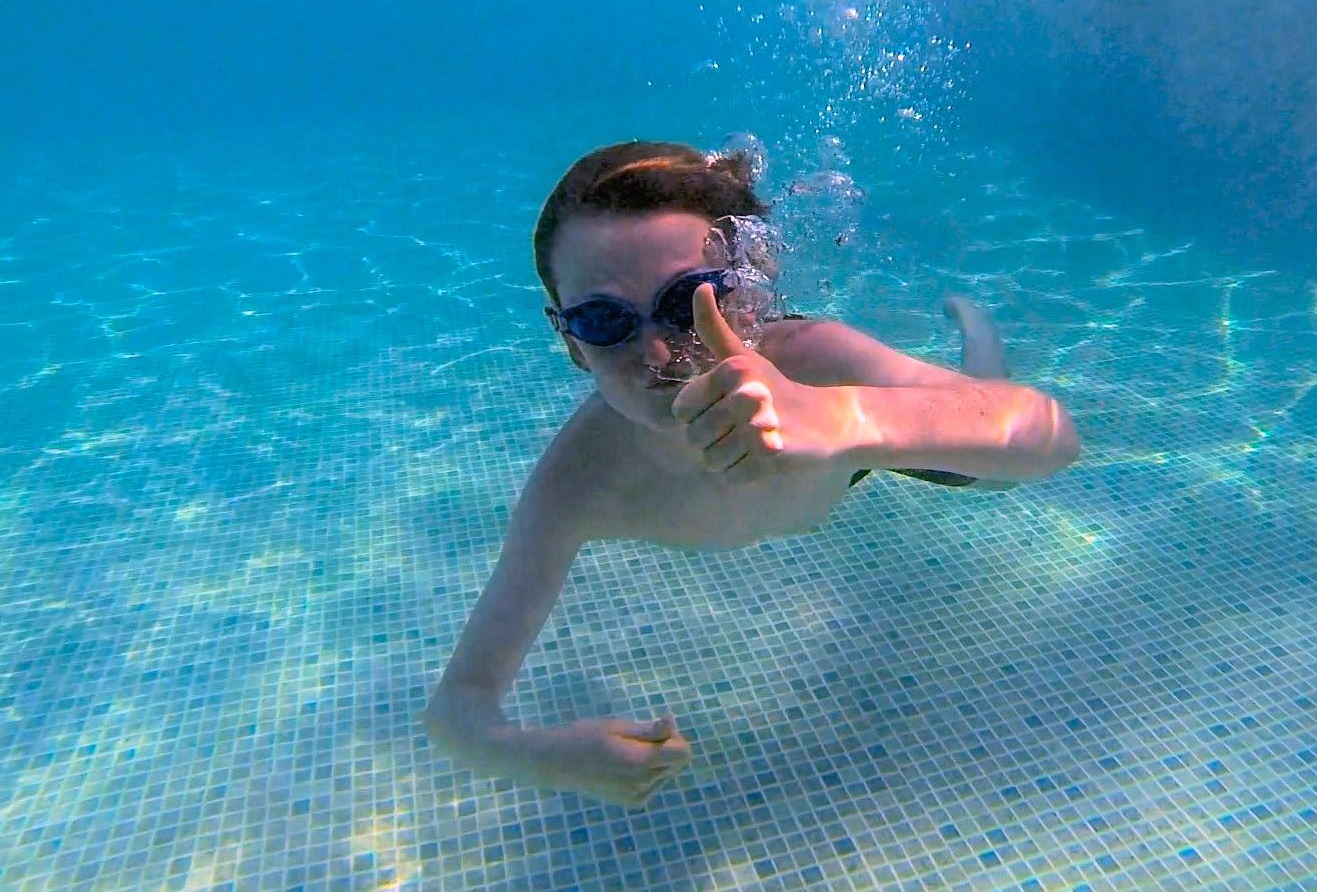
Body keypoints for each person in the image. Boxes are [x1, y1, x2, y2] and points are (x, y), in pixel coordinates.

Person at [424, 141, 1081, 806]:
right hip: (826, 444)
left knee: (993, 469)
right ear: (569, 338)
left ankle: (977, 338)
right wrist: (529, 754)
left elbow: (1044, 432)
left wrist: (838, 418)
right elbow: (459, 707)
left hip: (842, 451)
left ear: (748, 296)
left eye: (689, 302)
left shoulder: (814, 363)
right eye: (603, 320)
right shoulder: (578, 482)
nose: (654, 351)